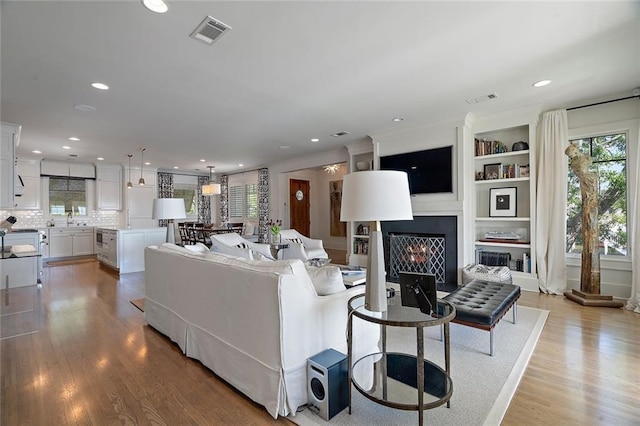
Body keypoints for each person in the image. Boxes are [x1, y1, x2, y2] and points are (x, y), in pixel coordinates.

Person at [565, 143, 600, 294]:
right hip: (584, 193)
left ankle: (592, 289)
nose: (571, 157)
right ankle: (586, 287)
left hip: (589, 193)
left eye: (571, 154)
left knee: (591, 227)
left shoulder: (584, 160)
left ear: (575, 150)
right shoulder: (574, 162)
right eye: (569, 157)